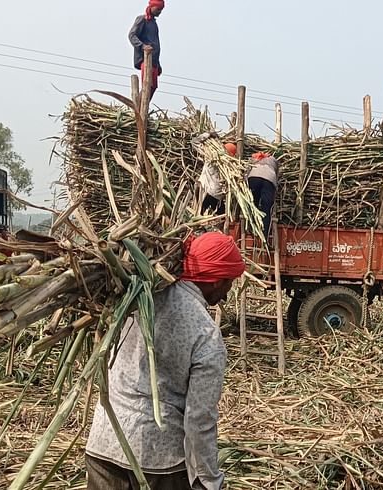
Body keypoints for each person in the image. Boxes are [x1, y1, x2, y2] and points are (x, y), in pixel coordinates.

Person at [85, 231, 243, 490]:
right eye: (228, 283)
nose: (227, 293)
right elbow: (199, 419)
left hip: (104, 444)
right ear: (216, 281)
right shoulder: (206, 334)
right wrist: (208, 479)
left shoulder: (136, 295)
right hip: (158, 461)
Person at [128, 0, 165, 98]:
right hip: (145, 58)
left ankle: (143, 108)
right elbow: (132, 35)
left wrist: (158, 64)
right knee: (147, 85)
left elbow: (155, 43)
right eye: (158, 9)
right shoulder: (142, 19)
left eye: (161, 10)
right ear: (152, 7)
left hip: (154, 61)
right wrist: (142, 46)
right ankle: (138, 109)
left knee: (153, 87)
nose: (159, 12)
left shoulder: (154, 23)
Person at [192, 133, 233, 215]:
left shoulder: (210, 156)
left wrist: (208, 134)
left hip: (204, 190)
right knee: (221, 215)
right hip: (213, 193)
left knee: (199, 214)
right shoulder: (230, 165)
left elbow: (194, 142)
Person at [246, 152, 278, 238]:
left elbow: (246, 172)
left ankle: (250, 227)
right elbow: (276, 174)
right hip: (269, 179)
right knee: (266, 208)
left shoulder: (254, 157)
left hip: (253, 178)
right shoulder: (273, 160)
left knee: (253, 204)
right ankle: (264, 233)